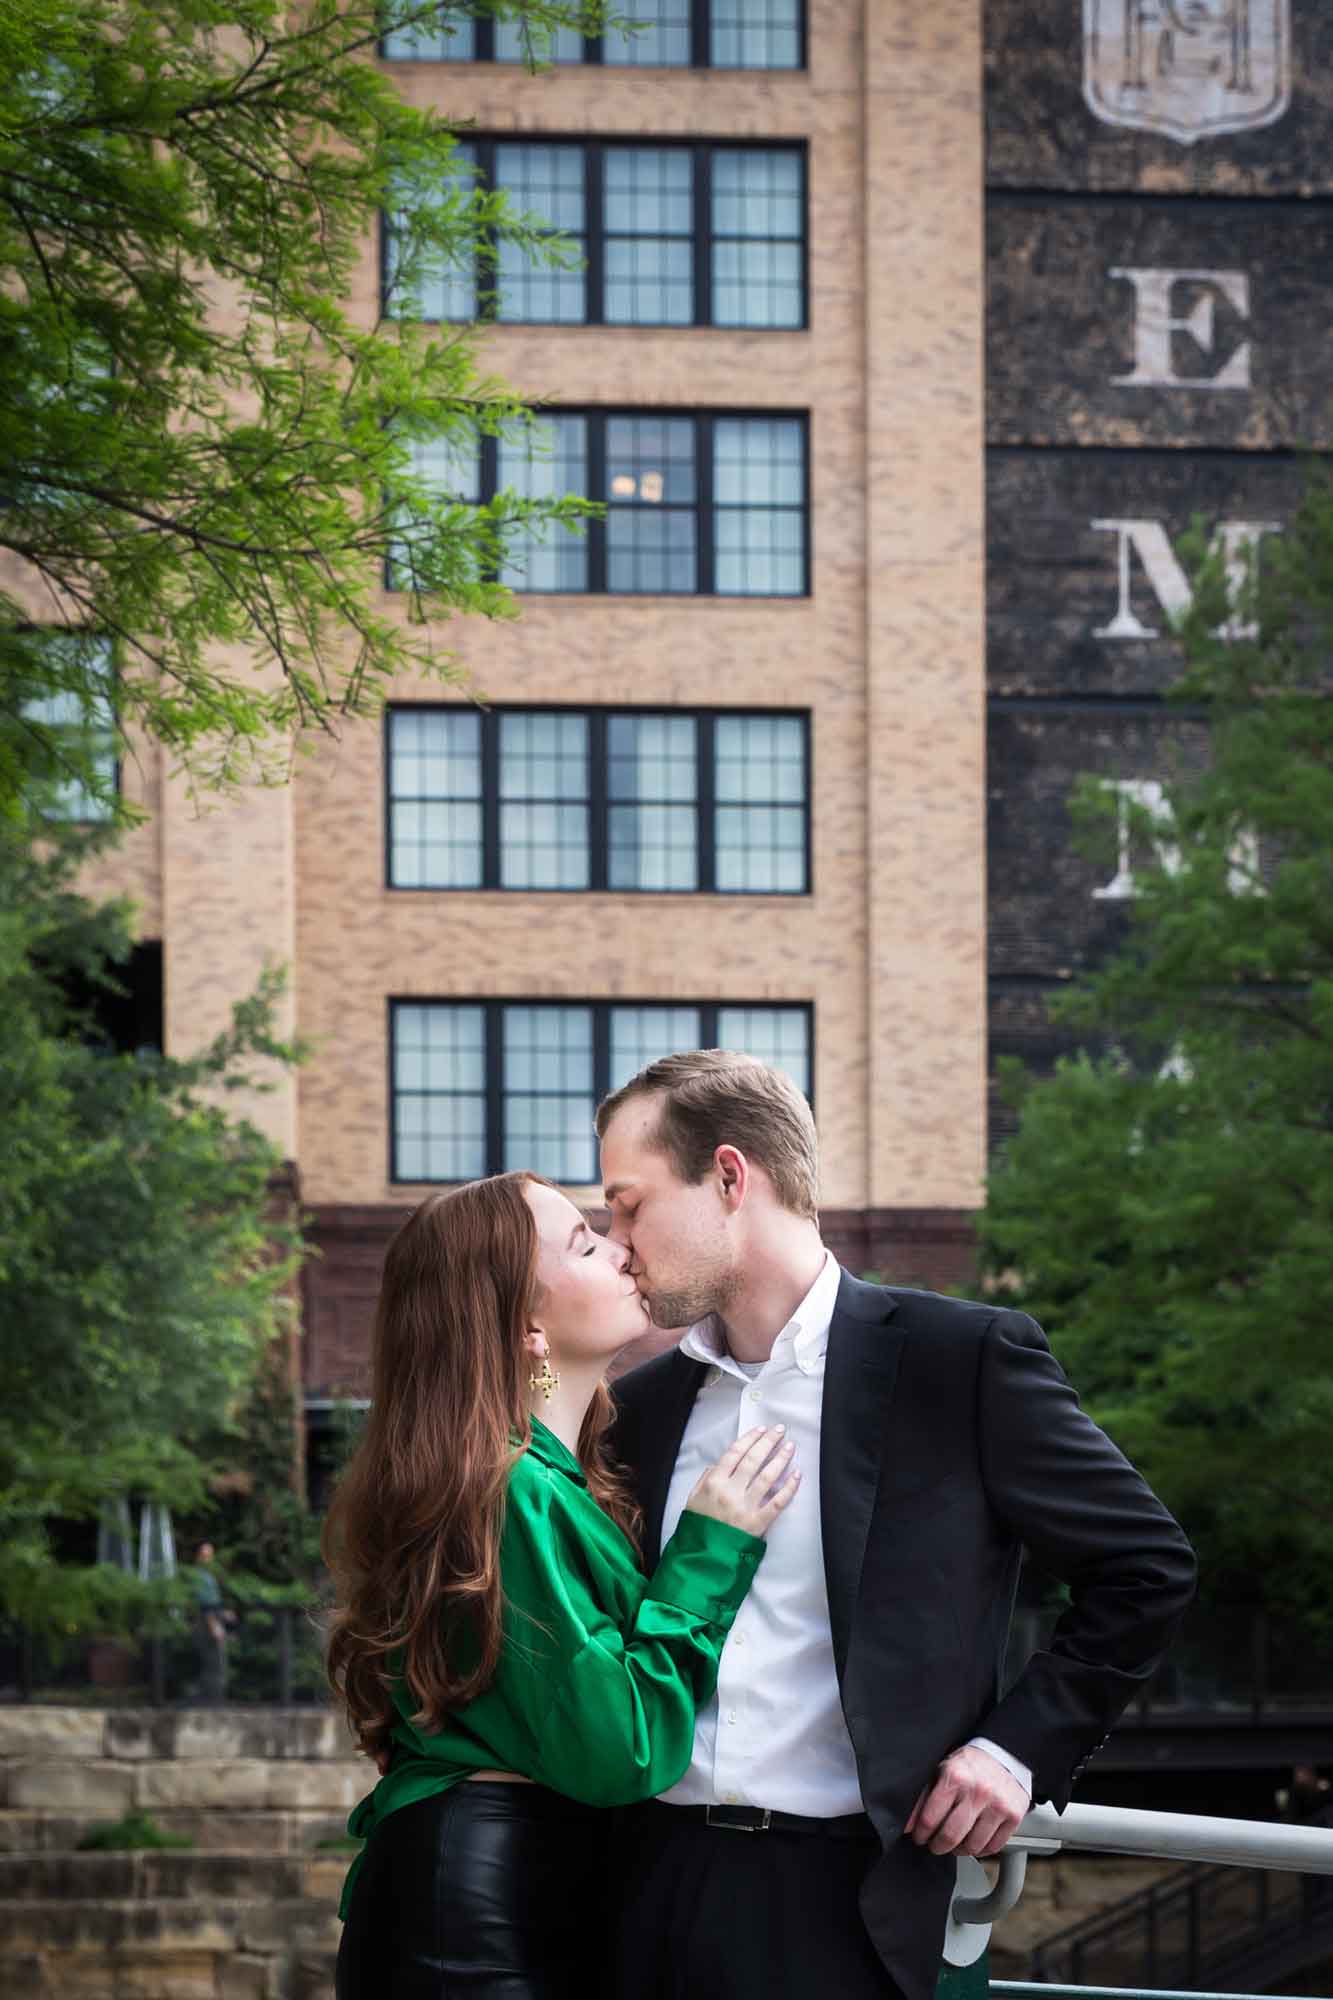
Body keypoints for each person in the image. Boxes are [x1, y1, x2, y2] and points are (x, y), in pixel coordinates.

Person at [599, 1050, 1198, 2000]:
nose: (617, 1239)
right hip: (640, 1889)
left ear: (728, 1178)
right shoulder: (636, 1409)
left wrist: (1014, 1749)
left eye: (629, 1204)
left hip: (856, 1904)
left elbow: (1145, 1566)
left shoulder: (958, 1361)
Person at [324, 1170, 800, 2000]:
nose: (621, 1251)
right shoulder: (511, 1489)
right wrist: (710, 1550)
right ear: (526, 1326)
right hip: (479, 1917)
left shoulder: (537, 1481)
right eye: (583, 1244)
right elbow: (619, 1750)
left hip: (514, 1885)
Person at [189, 1540, 233, 1701]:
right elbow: (204, 1605)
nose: (208, 1559)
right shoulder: (198, 1576)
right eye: (204, 1555)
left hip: (213, 1618)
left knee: (216, 1661)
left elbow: (213, 1603)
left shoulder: (209, 1576)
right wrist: (214, 1625)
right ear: (197, 1556)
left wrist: (223, 1613)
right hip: (206, 1623)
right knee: (213, 1662)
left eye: (210, 1555)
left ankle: (213, 1697)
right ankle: (211, 1698)